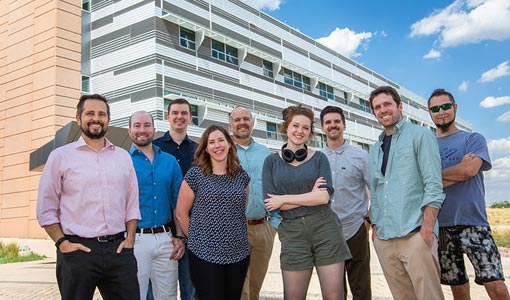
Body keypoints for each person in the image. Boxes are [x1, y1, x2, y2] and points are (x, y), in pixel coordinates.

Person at [36, 94, 141, 300]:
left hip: (119, 250)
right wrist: (62, 243)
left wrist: (130, 239)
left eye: (102, 114)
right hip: (77, 251)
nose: (96, 118)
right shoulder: (60, 156)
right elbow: (46, 207)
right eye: (90, 113)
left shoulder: (123, 156)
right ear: (78, 118)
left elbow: (132, 203)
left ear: (108, 120)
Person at [262, 104, 351, 299]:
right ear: (286, 127)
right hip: (292, 234)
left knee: (335, 296)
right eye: (295, 125)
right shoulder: (271, 162)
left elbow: (323, 197)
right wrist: (310, 196)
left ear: (311, 132)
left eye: (306, 127)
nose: (299, 131)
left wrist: (283, 198)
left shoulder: (320, 158)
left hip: (325, 229)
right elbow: (270, 204)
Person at [428, 88, 510, 300]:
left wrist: (435, 179)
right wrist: (455, 173)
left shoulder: (473, 139)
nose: (441, 112)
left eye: (445, 106)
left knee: (496, 284)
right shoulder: (427, 146)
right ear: (429, 113)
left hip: (474, 223)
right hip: (442, 227)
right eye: (435, 109)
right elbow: (421, 183)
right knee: (458, 288)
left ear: (454, 108)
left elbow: (469, 171)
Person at [368, 86, 445, 300]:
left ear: (399, 106)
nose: (383, 110)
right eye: (377, 107)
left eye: (387, 104)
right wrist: (375, 228)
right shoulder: (375, 149)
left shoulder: (420, 135)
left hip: (415, 234)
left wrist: (427, 229)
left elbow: (433, 184)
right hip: (384, 238)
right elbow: (375, 190)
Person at [175, 125, 250, 300]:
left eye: (221, 140)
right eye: (212, 142)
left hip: (238, 252)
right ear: (206, 149)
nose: (217, 145)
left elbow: (241, 209)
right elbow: (181, 213)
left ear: (229, 144)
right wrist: (196, 239)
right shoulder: (195, 175)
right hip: (204, 254)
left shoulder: (241, 176)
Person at [128, 111, 186, 300]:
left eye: (146, 125)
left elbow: (178, 203)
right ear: (129, 131)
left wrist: (179, 237)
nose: (142, 130)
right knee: (136, 295)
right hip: (135, 240)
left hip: (165, 239)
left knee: (168, 296)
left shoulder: (169, 162)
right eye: (137, 126)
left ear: (154, 129)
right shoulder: (122, 161)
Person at [229, 106, 281, 300]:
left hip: (264, 228)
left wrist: (274, 224)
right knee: (240, 287)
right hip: (236, 229)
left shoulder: (264, 151)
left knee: (255, 287)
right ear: (230, 124)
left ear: (252, 122)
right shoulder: (224, 151)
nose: (242, 123)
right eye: (237, 119)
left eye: (246, 118)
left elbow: (274, 184)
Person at [320, 105, 372, 300]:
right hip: (326, 232)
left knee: (361, 288)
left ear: (344, 125)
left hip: (355, 228)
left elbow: (376, 188)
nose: (333, 125)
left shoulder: (361, 156)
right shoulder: (316, 158)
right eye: (328, 122)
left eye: (336, 121)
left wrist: (368, 219)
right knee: (333, 291)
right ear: (322, 127)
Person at [153, 98, 198, 300]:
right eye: (175, 113)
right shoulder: (154, 147)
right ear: (167, 116)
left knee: (191, 290)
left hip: (193, 228)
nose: (179, 117)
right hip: (161, 230)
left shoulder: (200, 150)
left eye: (184, 113)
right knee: (162, 291)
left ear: (190, 117)